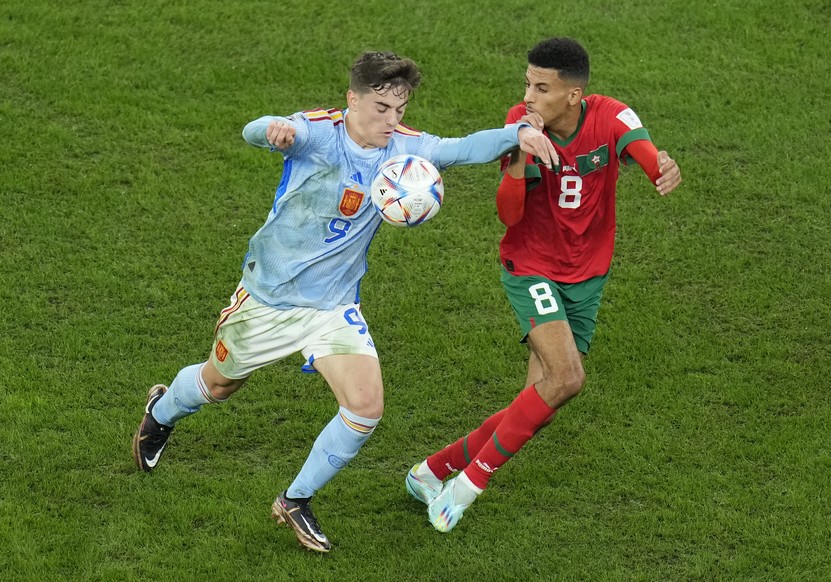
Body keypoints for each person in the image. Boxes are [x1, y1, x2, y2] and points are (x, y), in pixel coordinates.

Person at [132, 50, 559, 553]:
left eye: (399, 110)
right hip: (269, 299)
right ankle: (162, 412)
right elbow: (257, 128)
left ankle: (295, 498)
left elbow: (464, 147)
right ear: (352, 99)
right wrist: (272, 130)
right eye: (380, 108)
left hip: (333, 306)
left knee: (365, 407)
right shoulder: (317, 134)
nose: (391, 121)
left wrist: (519, 135)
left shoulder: (404, 150)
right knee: (218, 385)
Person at [405, 37, 682, 532]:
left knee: (544, 400)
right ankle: (467, 486)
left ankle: (432, 470)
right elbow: (508, 217)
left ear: (573, 95)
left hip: (587, 274)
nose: (528, 97)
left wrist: (661, 167)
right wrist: (516, 154)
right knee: (568, 378)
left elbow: (642, 151)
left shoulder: (611, 117)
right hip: (531, 266)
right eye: (527, 84)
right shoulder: (522, 127)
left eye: (541, 87)